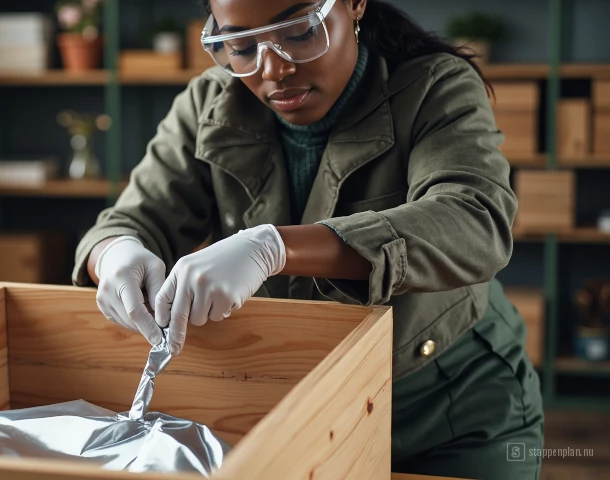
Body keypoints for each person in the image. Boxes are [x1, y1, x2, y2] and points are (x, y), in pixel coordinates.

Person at [71, 0, 544, 478]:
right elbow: (130, 219)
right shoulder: (208, 103)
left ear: (355, 5)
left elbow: (475, 222)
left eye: (299, 33)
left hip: (446, 408)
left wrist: (276, 247)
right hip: (302, 411)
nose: (273, 68)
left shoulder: (434, 87)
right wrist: (114, 253)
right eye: (241, 45)